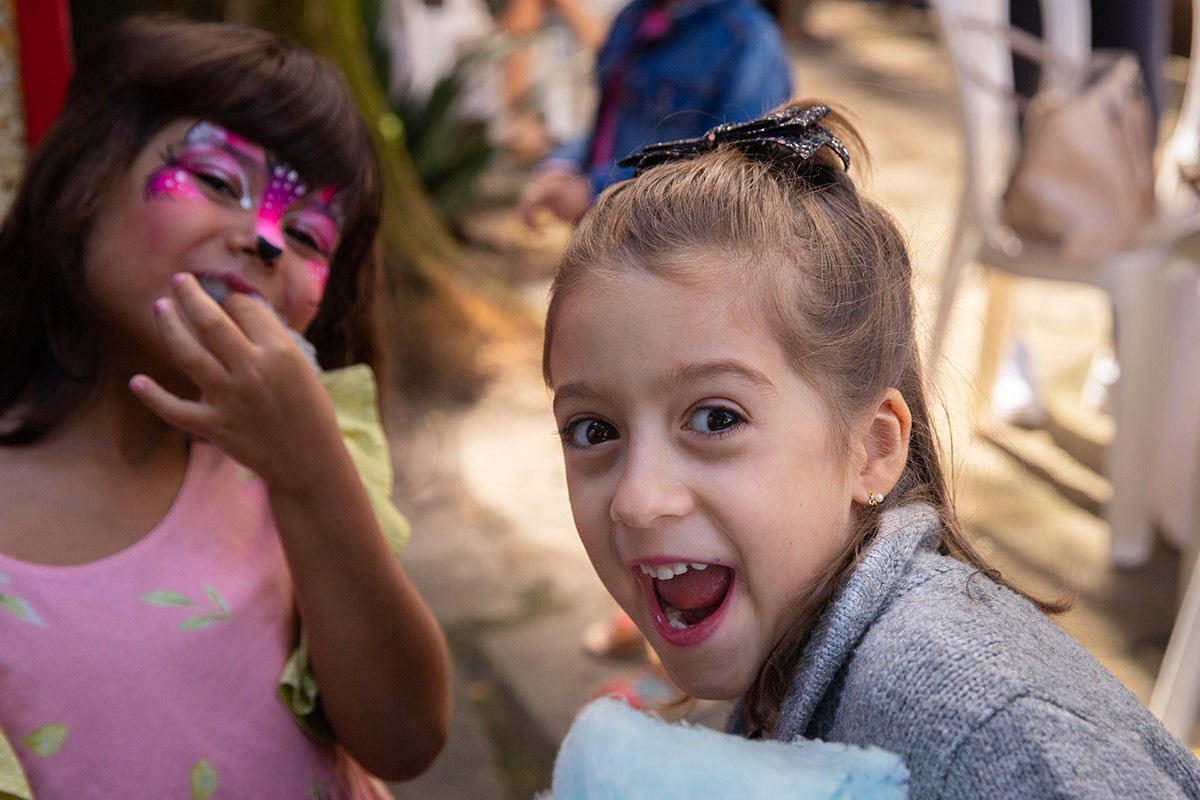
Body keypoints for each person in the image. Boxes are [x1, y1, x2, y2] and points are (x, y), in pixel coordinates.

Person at [540, 101, 1200, 797]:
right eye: (595, 431)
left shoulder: (971, 720)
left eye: (714, 418)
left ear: (871, 449)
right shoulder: (788, 662)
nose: (638, 499)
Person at [0, 16, 451, 798]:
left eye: (310, 234)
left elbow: (406, 736)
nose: (267, 241)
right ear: (85, 179)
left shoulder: (301, 457)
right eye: (216, 181)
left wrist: (311, 470)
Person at [519, 0, 793, 228]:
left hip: (668, 252)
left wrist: (597, 190)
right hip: (605, 236)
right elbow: (609, 122)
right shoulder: (633, 17)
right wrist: (562, 165)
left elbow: (738, 169)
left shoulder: (748, 41)